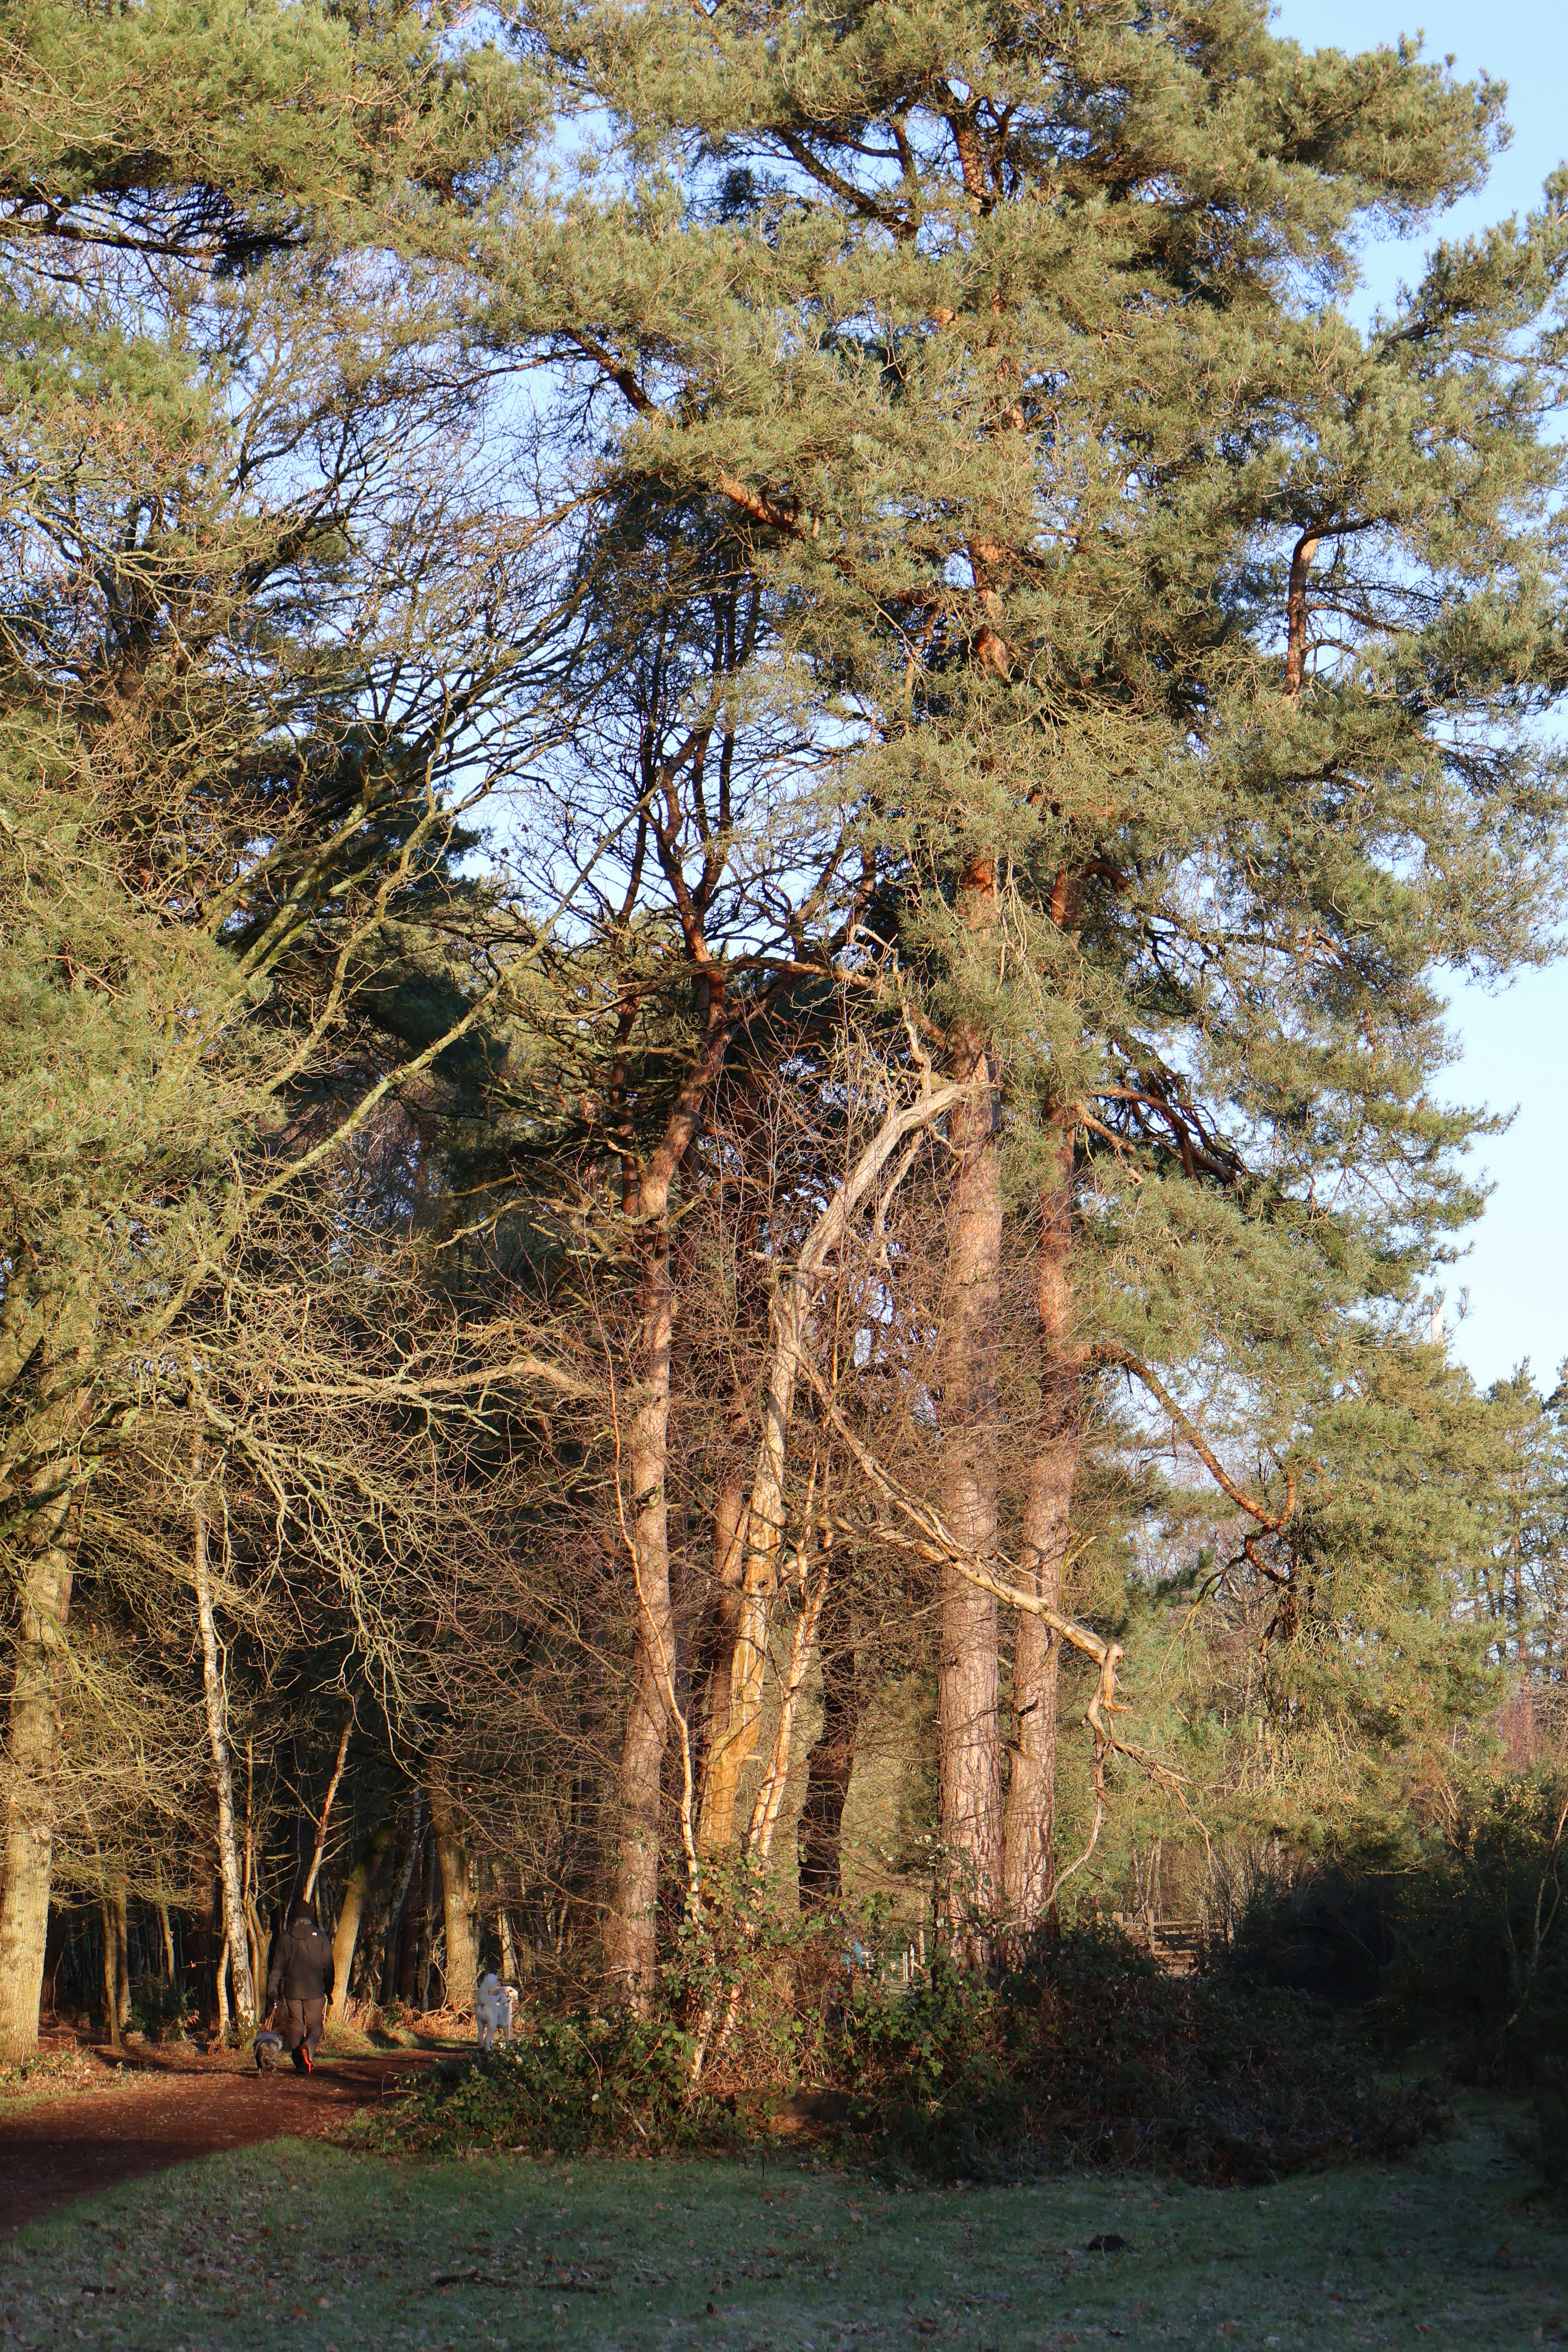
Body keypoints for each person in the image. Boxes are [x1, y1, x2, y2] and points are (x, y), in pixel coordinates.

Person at [265, 1899, 335, 2074]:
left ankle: (299, 2065)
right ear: (310, 1917)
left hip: (292, 1990)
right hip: (315, 1990)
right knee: (315, 2025)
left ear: (293, 1918)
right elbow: (329, 1966)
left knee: (296, 2025)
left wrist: (272, 1988)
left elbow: (278, 1966)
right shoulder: (320, 1937)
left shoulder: (285, 1938)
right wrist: (329, 1988)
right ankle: (309, 2048)